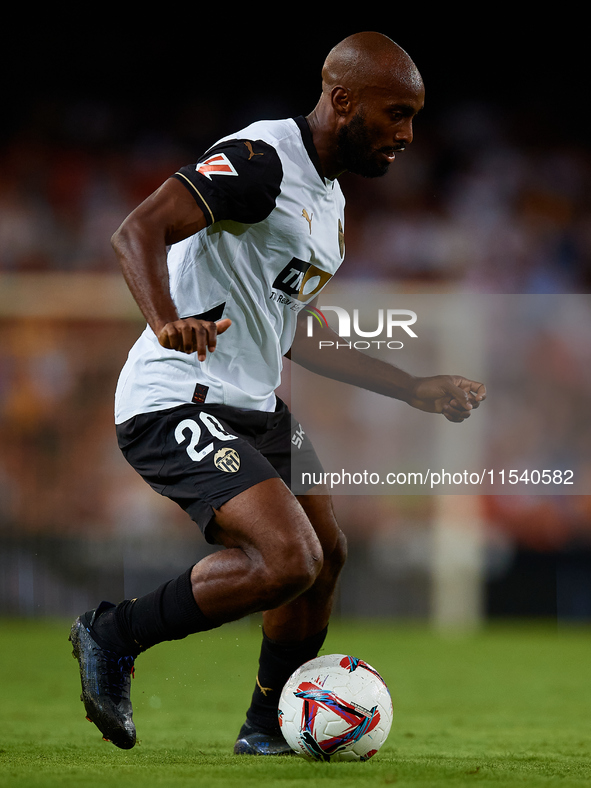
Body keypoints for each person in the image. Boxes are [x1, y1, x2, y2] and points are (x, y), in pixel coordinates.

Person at [70, 31, 486, 755]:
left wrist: (410, 387)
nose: (407, 135)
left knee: (325, 555)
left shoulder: (327, 204)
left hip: (255, 403)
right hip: (178, 398)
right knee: (287, 559)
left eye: (412, 117)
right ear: (343, 99)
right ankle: (112, 635)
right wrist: (165, 320)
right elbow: (136, 230)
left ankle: (264, 730)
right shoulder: (262, 160)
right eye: (395, 114)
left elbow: (296, 327)